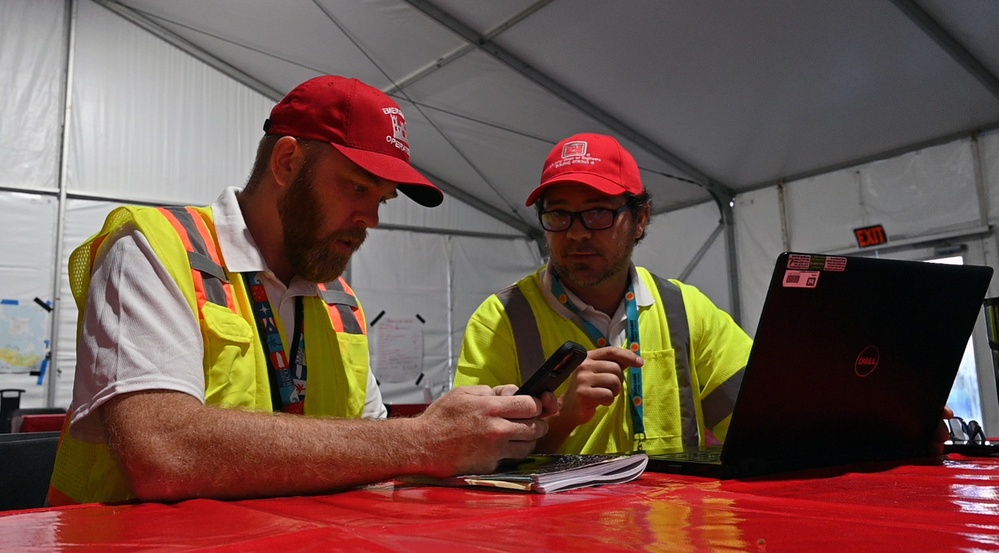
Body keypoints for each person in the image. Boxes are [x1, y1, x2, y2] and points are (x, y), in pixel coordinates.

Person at [49, 75, 555, 506]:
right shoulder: (154, 247)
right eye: (357, 187)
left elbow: (375, 451)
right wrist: (426, 439)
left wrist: (473, 432)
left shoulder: (337, 302)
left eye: (383, 199)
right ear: (287, 163)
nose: (372, 219)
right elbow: (162, 450)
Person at [454, 132, 754, 455]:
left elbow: (759, 420)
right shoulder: (500, 320)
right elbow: (469, 454)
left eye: (598, 212)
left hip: (673, 507)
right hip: (562, 509)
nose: (577, 232)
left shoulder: (684, 309)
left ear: (640, 219)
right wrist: (564, 417)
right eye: (558, 214)